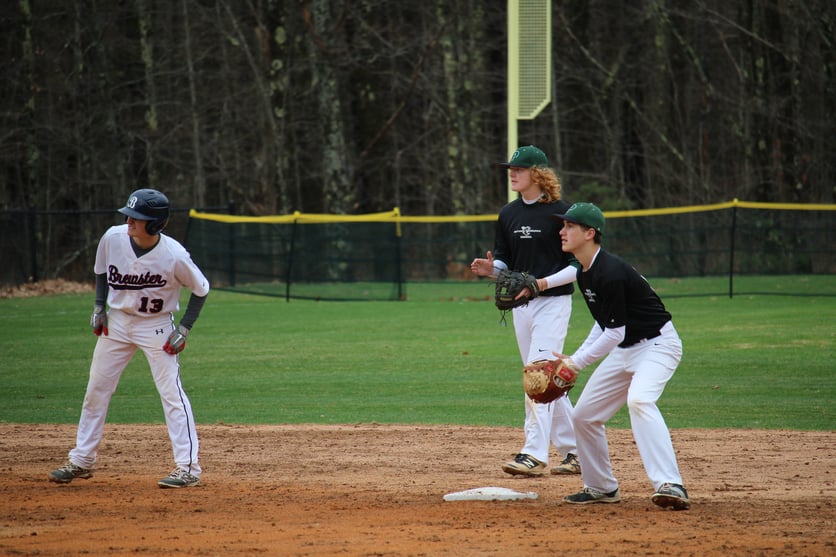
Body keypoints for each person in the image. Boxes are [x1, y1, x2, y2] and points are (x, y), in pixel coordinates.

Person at [49, 188, 210, 489]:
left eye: (137, 218)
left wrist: (184, 329)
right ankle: (82, 459)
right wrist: (99, 306)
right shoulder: (112, 238)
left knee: (171, 393)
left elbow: (201, 289)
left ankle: (188, 468)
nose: (129, 221)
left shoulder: (174, 255)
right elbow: (101, 272)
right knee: (97, 388)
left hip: (157, 326)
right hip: (118, 324)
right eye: (129, 215)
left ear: (155, 224)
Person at [552, 202, 690, 510]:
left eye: (569, 226)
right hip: (625, 348)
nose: (562, 231)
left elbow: (613, 332)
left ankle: (671, 484)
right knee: (584, 416)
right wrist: (574, 358)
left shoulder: (610, 271)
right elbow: (605, 325)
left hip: (658, 345)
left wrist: (576, 364)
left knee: (640, 400)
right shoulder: (585, 272)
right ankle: (600, 487)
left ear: (590, 233)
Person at [471, 145, 581, 477]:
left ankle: (533, 453)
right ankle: (577, 451)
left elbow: (578, 266)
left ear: (538, 173)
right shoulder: (508, 214)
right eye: (510, 168)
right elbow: (507, 260)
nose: (512, 173)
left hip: (553, 303)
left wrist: (541, 284)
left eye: (518, 168)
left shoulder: (563, 213)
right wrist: (491, 269)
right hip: (522, 305)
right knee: (546, 382)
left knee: (536, 376)